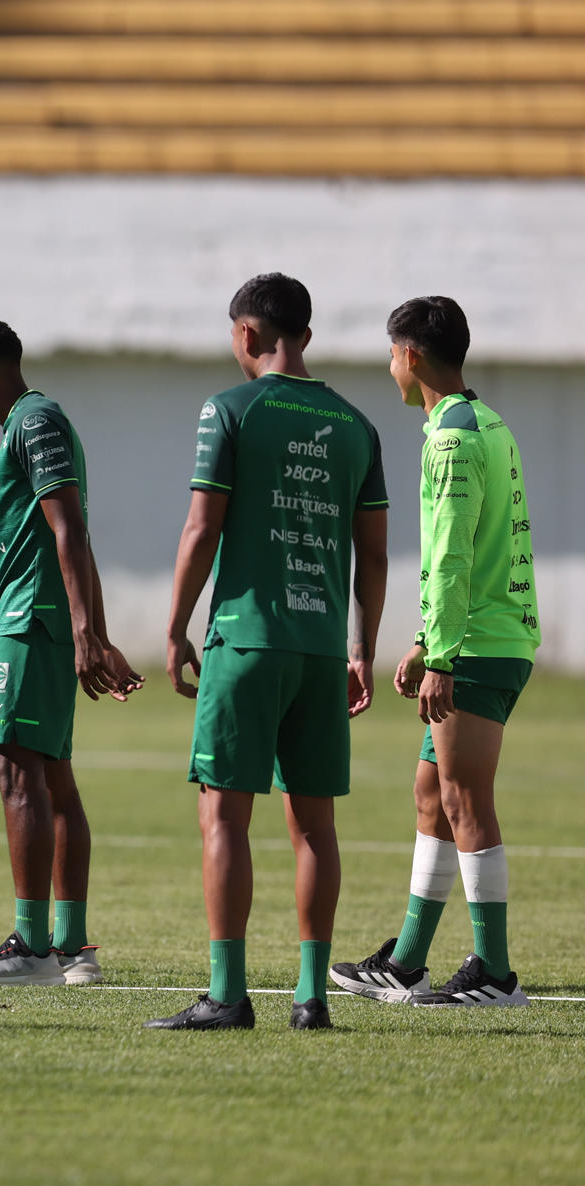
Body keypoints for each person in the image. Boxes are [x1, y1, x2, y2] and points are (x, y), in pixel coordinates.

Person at [150, 272, 388, 1032]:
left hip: (246, 639)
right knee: (314, 827)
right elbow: (375, 557)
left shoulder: (230, 409)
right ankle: (312, 999)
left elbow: (201, 529)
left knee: (224, 817)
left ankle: (227, 994)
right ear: (306, 336)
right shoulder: (356, 426)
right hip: (321, 652)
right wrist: (362, 645)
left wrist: (174, 623)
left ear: (247, 336)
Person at [330, 296, 538, 1008]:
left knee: (462, 796)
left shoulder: (449, 437)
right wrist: (425, 641)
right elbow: (483, 545)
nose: (390, 367)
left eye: (392, 354)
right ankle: (408, 962)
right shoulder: (488, 423)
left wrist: (442, 654)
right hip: (482, 637)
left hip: (476, 646)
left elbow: (451, 557)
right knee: (431, 796)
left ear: (411, 357)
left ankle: (496, 973)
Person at [0, 317, 143, 986]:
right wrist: (96, 632)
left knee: (16, 773)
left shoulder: (34, 421)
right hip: (44, 620)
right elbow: (71, 534)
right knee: (54, 780)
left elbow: (71, 528)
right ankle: (73, 948)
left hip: (31, 621)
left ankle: (30, 945)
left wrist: (87, 631)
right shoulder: (29, 426)